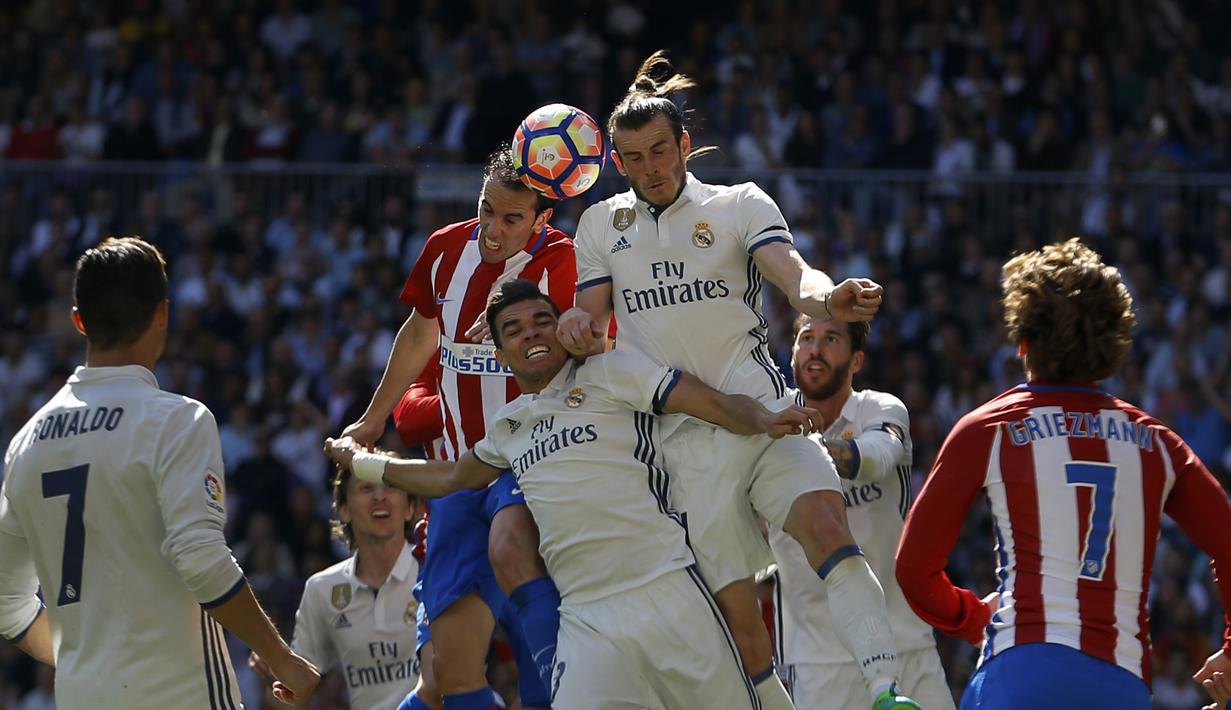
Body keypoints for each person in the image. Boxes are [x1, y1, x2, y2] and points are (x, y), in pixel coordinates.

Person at [556, 51, 918, 710]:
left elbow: (792, 275)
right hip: (682, 447)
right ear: (615, 162)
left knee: (827, 530)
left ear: (684, 145)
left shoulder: (737, 205)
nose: (650, 168)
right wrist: (574, 329)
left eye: (660, 150)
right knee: (743, 635)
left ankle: (886, 691)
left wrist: (826, 296)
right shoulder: (600, 226)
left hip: (767, 414)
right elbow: (588, 316)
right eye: (633, 158)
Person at [325, 279, 824, 708]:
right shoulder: (508, 426)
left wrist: (760, 417)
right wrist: (365, 462)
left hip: (667, 588)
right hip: (586, 619)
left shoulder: (612, 373)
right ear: (500, 355)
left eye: (542, 321)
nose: (532, 334)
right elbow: (450, 478)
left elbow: (707, 401)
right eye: (514, 331)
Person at [894, 238, 1231, 710]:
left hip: (1019, 674)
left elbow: (912, 570)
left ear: (1023, 340)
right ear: (1113, 344)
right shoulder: (1158, 442)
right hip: (1121, 684)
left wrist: (973, 619)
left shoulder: (989, 427)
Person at [0, 237, 320, 708]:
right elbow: (200, 559)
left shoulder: (26, 442)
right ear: (164, 314)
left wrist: (92, 663)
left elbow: (8, 605)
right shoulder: (177, 421)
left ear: (79, 322)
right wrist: (282, 658)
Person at [341, 147, 573, 710]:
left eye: (511, 218)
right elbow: (420, 335)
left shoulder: (564, 262)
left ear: (542, 220)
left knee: (519, 565)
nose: (493, 229)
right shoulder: (446, 249)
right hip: (455, 476)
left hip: (531, 463)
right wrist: (374, 418)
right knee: (447, 671)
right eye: (486, 209)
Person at [769, 314, 954, 709]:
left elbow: (879, 457)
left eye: (831, 339)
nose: (815, 350)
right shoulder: (769, 420)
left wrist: (809, 449)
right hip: (818, 661)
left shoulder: (881, 409)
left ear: (856, 360)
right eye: (806, 338)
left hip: (907, 646)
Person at [249, 453, 426, 709]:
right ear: (344, 509)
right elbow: (291, 695)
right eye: (366, 488)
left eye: (390, 485)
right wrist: (275, 666)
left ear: (410, 508)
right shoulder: (322, 589)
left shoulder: (434, 569)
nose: (379, 496)